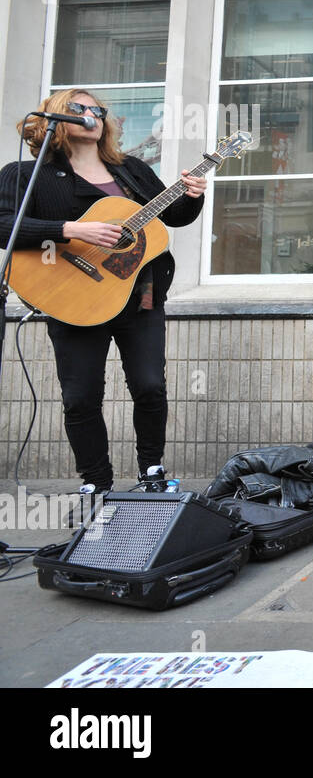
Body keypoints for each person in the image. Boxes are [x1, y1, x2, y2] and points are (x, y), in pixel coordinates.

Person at [0, 88, 206, 495]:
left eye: (98, 109)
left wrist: (193, 196)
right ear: (58, 117)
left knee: (149, 385)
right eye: (80, 108)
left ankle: (152, 473)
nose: (92, 114)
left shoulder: (130, 169)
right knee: (81, 396)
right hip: (72, 294)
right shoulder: (25, 172)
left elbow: (170, 218)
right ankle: (96, 482)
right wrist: (70, 229)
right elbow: (3, 223)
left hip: (140, 292)